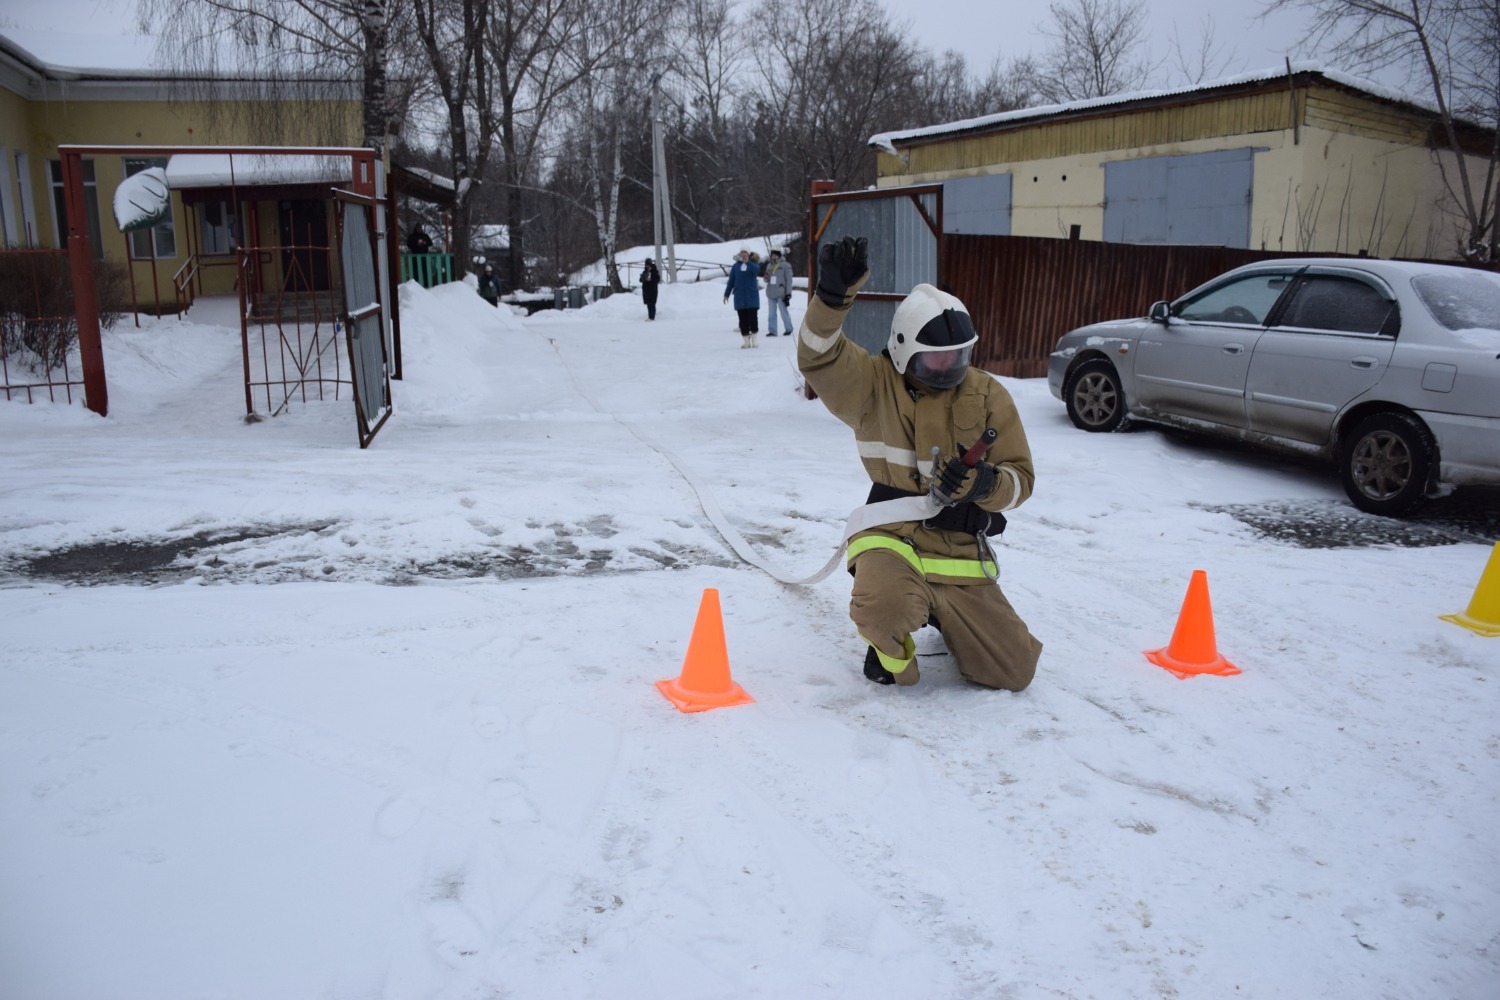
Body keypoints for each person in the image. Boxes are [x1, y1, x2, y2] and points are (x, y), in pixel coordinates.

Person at [796, 235, 1042, 691]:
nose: (951, 367)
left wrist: (986, 484)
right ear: (905, 348)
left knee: (1013, 672)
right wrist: (831, 300)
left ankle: (941, 615)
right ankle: (891, 642)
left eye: (960, 355)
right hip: (891, 538)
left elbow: (1021, 480)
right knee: (882, 611)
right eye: (937, 357)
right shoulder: (871, 385)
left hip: (960, 550)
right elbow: (819, 355)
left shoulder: (987, 393)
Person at [723, 247, 762, 348]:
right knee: (743, 320)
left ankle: (755, 339)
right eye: (742, 252)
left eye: (745, 252)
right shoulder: (736, 266)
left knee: (753, 319)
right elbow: (731, 281)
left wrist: (748, 262)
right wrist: (726, 294)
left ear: (748, 254)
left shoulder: (753, 265)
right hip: (740, 297)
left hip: (752, 297)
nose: (743, 254)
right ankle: (746, 340)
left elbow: (756, 271)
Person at [762, 248, 795, 336]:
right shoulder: (769, 265)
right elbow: (765, 280)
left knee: (783, 312)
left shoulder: (785, 265)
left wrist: (788, 293)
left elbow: (789, 280)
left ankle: (789, 328)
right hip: (771, 293)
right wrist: (766, 277)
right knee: (771, 313)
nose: (774, 257)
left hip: (781, 293)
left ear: (779, 255)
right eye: (773, 255)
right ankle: (772, 330)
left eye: (776, 255)